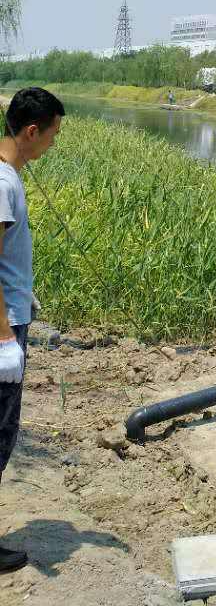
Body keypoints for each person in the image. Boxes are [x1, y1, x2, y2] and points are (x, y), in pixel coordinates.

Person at [0, 88, 65, 574]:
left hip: (12, 311)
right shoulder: (3, 183)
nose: (51, 146)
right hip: (2, 328)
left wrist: (23, 293)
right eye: (52, 136)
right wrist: (5, 338)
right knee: (1, 434)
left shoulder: (10, 176)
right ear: (31, 131)